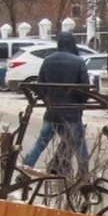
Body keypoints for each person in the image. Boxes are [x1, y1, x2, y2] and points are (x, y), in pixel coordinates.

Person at [21, 31, 90, 175]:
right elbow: (85, 88)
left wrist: (49, 100)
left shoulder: (48, 60)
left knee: (41, 142)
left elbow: (41, 85)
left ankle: (26, 168)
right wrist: (80, 105)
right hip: (71, 112)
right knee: (79, 145)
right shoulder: (78, 62)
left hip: (52, 111)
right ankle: (83, 174)